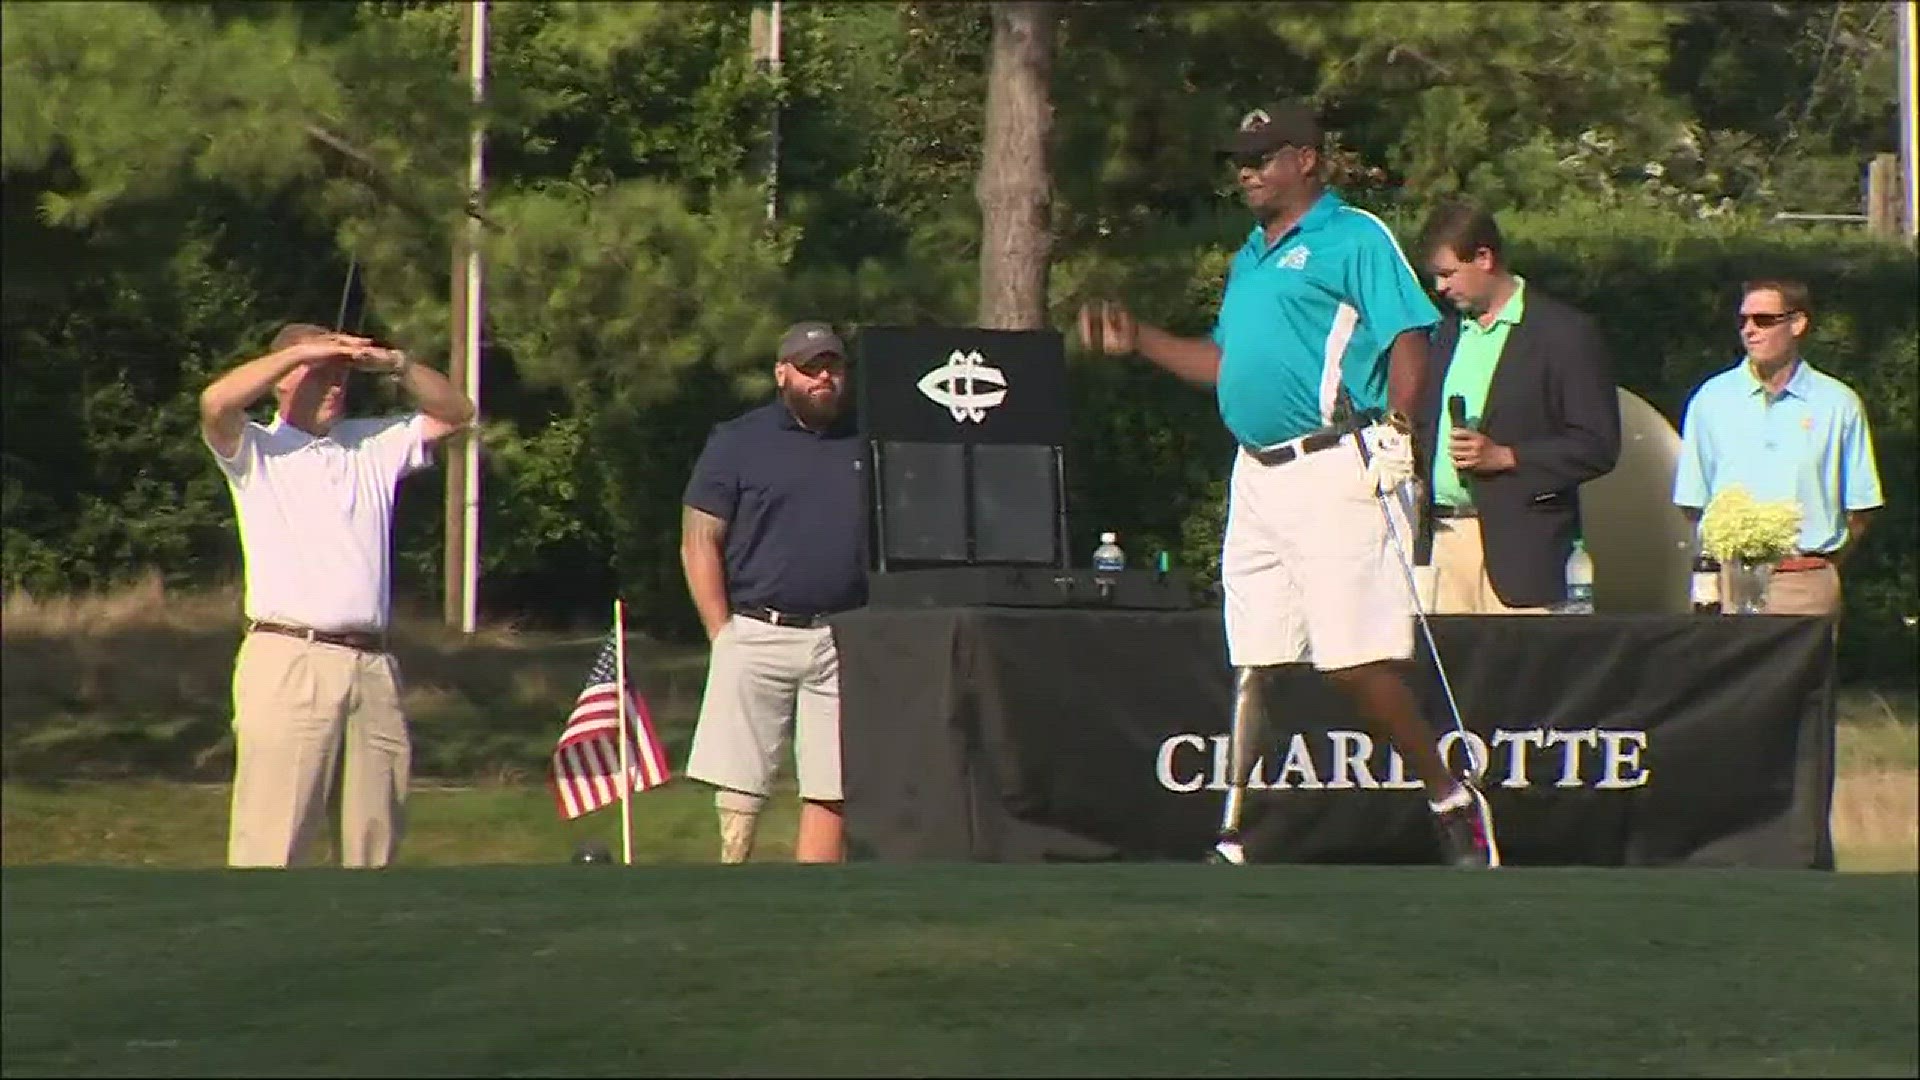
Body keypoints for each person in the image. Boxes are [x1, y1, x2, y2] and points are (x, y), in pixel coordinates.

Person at [1078, 102, 1498, 868]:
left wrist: (1403, 433)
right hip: (1258, 472)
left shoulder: (1353, 236)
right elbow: (1223, 366)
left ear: (1307, 160)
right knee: (1255, 656)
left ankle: (1450, 799)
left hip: (1341, 461)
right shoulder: (1250, 256)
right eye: (1241, 158)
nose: (1247, 170)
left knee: (1352, 659)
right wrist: (1139, 340)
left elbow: (1409, 333)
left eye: (1264, 156)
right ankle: (1233, 837)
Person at [200, 322, 475, 868]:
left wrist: (395, 364)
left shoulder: (371, 443)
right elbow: (215, 402)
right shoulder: (256, 448)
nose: (335, 387)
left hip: (371, 664)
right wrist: (302, 352)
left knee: (374, 843)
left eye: (340, 378)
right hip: (290, 658)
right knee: (274, 842)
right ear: (283, 381)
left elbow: (457, 413)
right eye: (320, 376)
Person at [680, 321, 867, 864]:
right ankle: (734, 887)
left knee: (833, 781)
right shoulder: (738, 441)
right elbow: (699, 539)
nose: (824, 378)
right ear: (782, 373)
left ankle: (811, 900)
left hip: (842, 634)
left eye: (832, 367)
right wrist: (720, 632)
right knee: (740, 780)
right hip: (757, 627)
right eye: (811, 369)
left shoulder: (865, 439)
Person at [1414, 200, 1621, 614]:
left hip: (1523, 551)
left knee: (1523, 677)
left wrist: (1506, 457)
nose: (1440, 288)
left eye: (1448, 274)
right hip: (1442, 543)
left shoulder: (1563, 333)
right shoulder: (1446, 334)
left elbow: (1597, 445)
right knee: (1450, 677)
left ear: (1485, 258)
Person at [1672, 278, 1883, 615]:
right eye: (1743, 321)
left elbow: (1862, 506)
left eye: (1764, 320)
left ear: (1797, 324)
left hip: (1805, 580)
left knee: (1806, 670)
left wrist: (1820, 566)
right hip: (1730, 583)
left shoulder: (1837, 403)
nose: (1749, 331)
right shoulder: (1711, 399)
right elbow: (1692, 502)